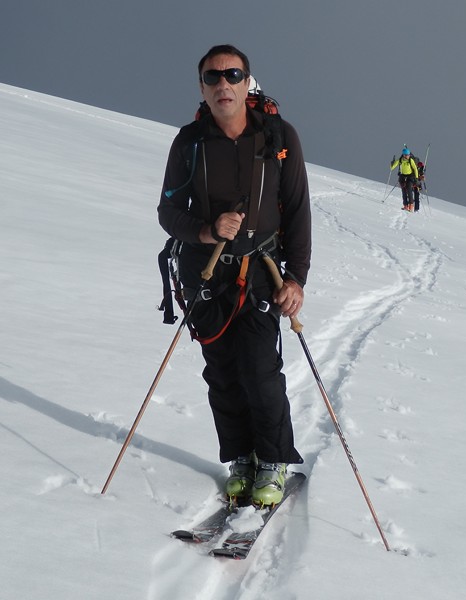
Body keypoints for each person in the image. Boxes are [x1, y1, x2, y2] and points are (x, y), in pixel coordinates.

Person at [157, 44, 312, 507]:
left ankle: (273, 459)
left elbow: (299, 211)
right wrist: (206, 229)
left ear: (248, 82)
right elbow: (168, 211)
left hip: (261, 272)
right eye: (212, 77)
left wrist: (296, 278)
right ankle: (241, 458)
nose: (222, 83)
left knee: (261, 372)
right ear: (201, 88)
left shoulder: (277, 136)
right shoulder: (190, 142)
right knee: (222, 373)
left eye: (232, 74)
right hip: (204, 275)